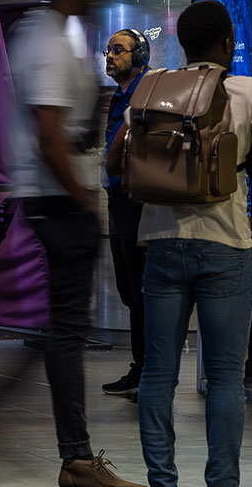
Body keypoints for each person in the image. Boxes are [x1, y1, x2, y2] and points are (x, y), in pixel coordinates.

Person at [132, 0, 252, 487]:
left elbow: (116, 164)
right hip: (226, 245)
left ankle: (161, 479)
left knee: (158, 373)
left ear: (183, 45)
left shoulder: (155, 88)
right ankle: (221, 482)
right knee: (225, 376)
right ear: (229, 43)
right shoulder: (246, 90)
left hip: (161, 242)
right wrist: (250, 157)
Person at [6, 0, 143, 487]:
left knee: (63, 329)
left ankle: (69, 455)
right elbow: (48, 137)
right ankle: (78, 460)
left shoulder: (47, 35)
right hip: (59, 202)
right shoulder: (48, 42)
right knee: (66, 333)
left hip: (57, 200)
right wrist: (82, 197)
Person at [99, 29, 151, 398]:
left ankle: (149, 369)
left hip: (138, 199)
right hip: (116, 197)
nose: (110, 56)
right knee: (129, 289)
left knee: (142, 287)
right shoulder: (119, 96)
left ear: (139, 55)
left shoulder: (147, 93)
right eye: (108, 51)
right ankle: (142, 366)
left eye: (118, 50)